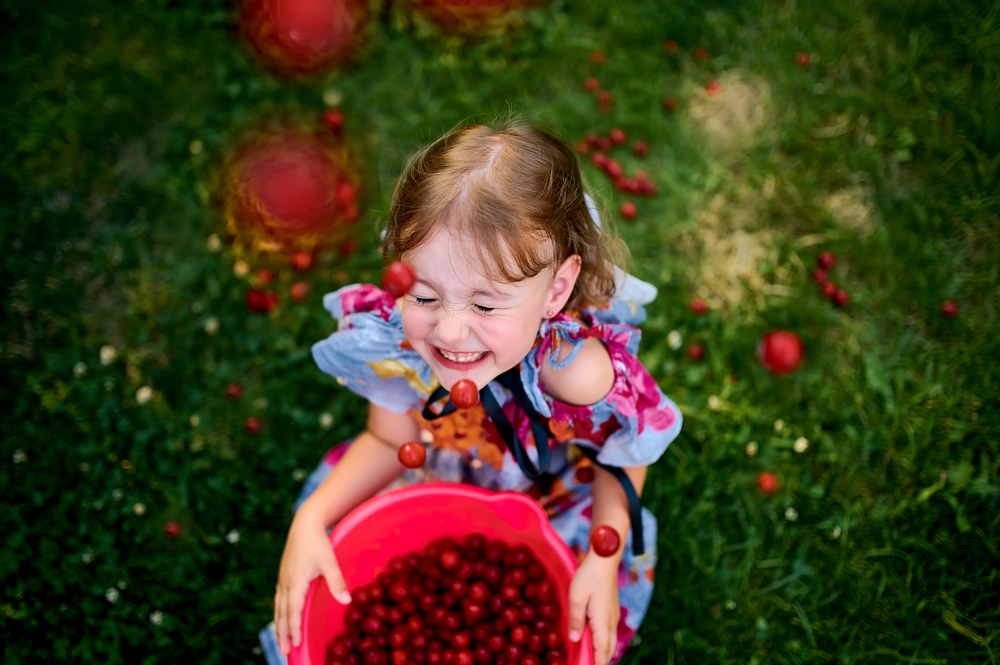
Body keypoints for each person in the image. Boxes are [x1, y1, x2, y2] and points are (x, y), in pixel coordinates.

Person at [263, 121, 682, 665]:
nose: (450, 332)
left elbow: (621, 458)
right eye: (424, 294)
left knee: (566, 605)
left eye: (485, 306)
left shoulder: (572, 371)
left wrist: (603, 559)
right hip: (438, 472)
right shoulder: (397, 340)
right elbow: (391, 441)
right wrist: (311, 518)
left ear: (555, 291)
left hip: (547, 495)